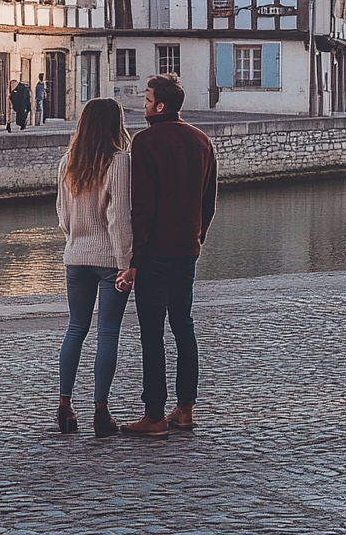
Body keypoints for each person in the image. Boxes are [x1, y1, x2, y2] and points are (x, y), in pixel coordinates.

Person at [117, 74, 217, 437]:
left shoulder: (145, 143)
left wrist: (134, 260)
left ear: (160, 106)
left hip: (155, 253)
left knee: (152, 334)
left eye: (146, 101)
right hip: (186, 251)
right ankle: (186, 409)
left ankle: (155, 415)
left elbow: (142, 208)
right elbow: (209, 200)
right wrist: (197, 238)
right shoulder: (201, 140)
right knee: (184, 326)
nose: (143, 107)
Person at [55, 98, 133, 437]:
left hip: (76, 256)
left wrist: (75, 241)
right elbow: (119, 219)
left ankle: (64, 405)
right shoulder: (118, 162)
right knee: (108, 333)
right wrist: (126, 263)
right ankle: (101, 411)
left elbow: (63, 216)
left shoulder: (67, 162)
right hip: (109, 260)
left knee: (75, 328)